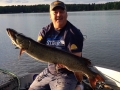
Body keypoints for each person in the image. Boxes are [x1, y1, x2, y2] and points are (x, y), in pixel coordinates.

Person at [29, 0, 84, 90]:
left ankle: (79, 86)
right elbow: (37, 51)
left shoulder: (74, 33)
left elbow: (77, 60)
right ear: (50, 16)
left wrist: (65, 63)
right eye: (55, 12)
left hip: (68, 74)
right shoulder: (44, 31)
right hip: (49, 71)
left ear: (66, 14)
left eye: (61, 12)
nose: (58, 15)